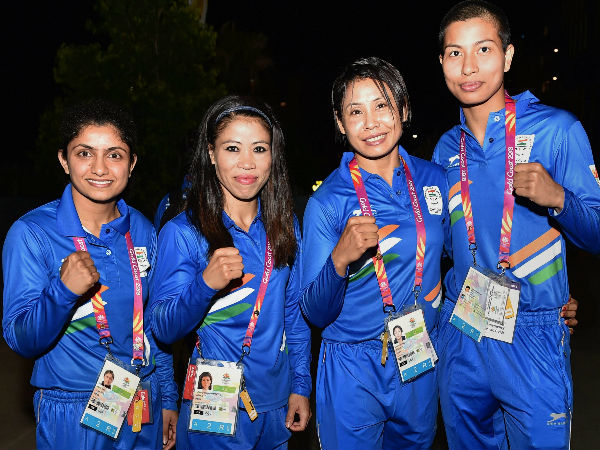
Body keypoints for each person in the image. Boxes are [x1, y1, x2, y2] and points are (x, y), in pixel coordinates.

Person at [433, 2, 600, 449]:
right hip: (464, 327)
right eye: (455, 53)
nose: (469, 66)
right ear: (442, 63)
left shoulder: (558, 130)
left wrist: (559, 199)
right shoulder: (445, 148)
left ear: (507, 57)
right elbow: (440, 246)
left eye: (483, 49)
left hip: (533, 333)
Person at [2, 99, 179, 450]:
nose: (100, 168)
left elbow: (154, 326)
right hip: (72, 407)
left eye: (114, 154)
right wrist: (62, 291)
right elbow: (21, 340)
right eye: (84, 153)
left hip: (143, 399)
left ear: (132, 163)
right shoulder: (32, 233)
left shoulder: (143, 231)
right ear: (64, 161)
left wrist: (168, 397)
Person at [299, 56, 450, 450]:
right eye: (355, 111)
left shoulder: (434, 179)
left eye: (381, 105)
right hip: (352, 367)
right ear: (339, 121)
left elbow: (466, 255)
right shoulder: (327, 201)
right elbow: (314, 311)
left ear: (402, 108)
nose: (371, 123)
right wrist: (340, 259)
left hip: (418, 352)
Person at [149, 95, 312, 450]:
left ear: (273, 155)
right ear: (211, 154)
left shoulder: (284, 226)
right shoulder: (183, 232)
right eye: (232, 148)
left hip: (277, 405)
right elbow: (162, 327)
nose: (247, 163)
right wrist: (204, 285)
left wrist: (301, 384)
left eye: (259, 149)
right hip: (214, 409)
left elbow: (293, 313)